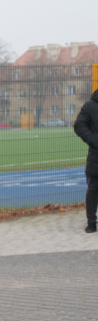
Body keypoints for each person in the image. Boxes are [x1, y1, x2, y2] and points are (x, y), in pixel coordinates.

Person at [73, 88, 98, 233]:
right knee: (94, 189)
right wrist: (93, 140)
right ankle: (91, 222)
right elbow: (79, 125)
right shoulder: (90, 106)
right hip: (96, 155)